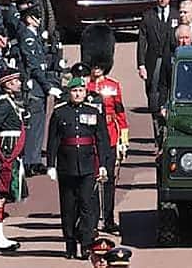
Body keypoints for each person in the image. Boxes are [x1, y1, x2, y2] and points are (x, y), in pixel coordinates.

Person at [46, 76, 111, 259]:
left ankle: (86, 243)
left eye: (81, 91)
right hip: (67, 166)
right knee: (68, 207)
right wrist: (51, 164)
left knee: (87, 206)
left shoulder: (94, 111)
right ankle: (70, 245)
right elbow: (53, 141)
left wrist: (104, 164)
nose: (78, 94)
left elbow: (101, 139)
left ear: (85, 92)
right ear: (69, 93)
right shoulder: (60, 113)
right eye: (74, 91)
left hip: (88, 165)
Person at [82, 24, 127, 235]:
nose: (96, 68)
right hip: (90, 139)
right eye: (94, 64)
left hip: (110, 136)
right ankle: (92, 220)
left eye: (100, 64)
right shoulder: (84, 87)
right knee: (91, 182)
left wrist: (123, 140)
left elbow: (120, 113)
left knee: (109, 181)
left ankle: (108, 219)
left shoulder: (113, 86)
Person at [0, 68, 27, 251]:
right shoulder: (4, 104)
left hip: (11, 154)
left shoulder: (11, 102)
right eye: (16, 81)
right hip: (5, 155)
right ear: (7, 85)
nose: (19, 83)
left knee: (3, 196)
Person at [18, 3, 62, 175]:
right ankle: (30, 161)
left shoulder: (35, 36)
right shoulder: (27, 37)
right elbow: (34, 66)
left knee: (39, 124)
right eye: (36, 17)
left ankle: (34, 159)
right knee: (34, 124)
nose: (39, 21)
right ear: (29, 19)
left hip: (40, 85)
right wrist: (47, 86)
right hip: (35, 87)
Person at [137, 0, 177, 135]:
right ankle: (157, 133)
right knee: (153, 95)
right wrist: (141, 64)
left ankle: (169, 130)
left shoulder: (176, 15)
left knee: (168, 92)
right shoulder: (148, 16)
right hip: (153, 62)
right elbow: (142, 41)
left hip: (169, 61)